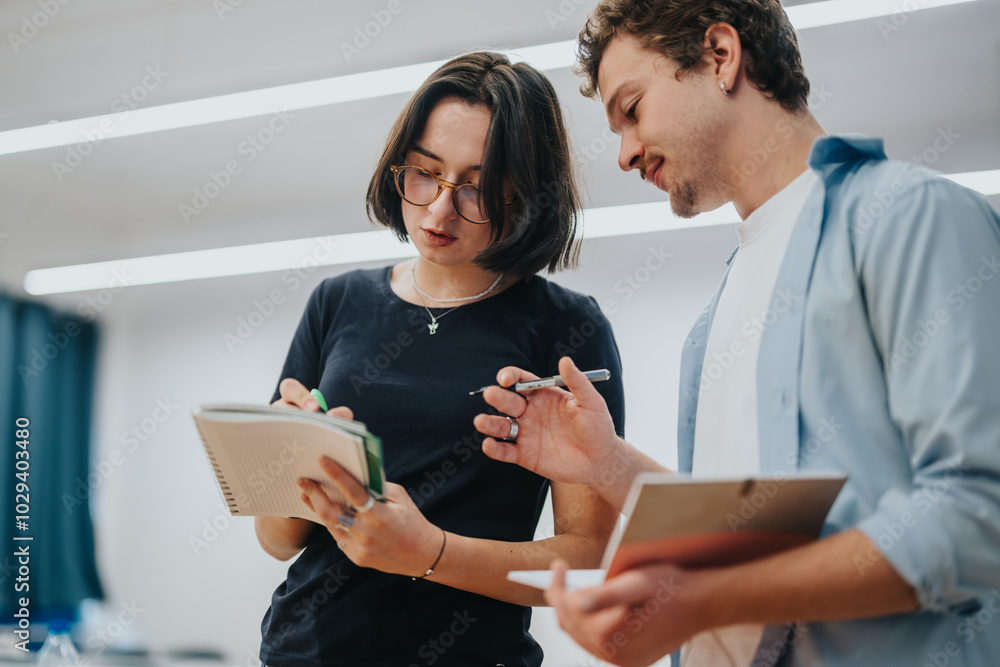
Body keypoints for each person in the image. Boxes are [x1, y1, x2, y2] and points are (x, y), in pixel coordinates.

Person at [474, 2, 1000, 666]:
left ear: (720, 55)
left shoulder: (907, 218)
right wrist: (605, 461)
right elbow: (757, 528)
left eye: (631, 109)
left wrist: (709, 597)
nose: (626, 154)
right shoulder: (718, 314)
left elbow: (979, 516)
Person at [253, 51, 627, 667]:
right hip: (303, 648)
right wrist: (296, 460)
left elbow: (584, 559)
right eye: (424, 173)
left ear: (526, 195)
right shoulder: (338, 302)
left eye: (478, 187)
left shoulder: (566, 325)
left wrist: (430, 551)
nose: (439, 211)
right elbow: (276, 539)